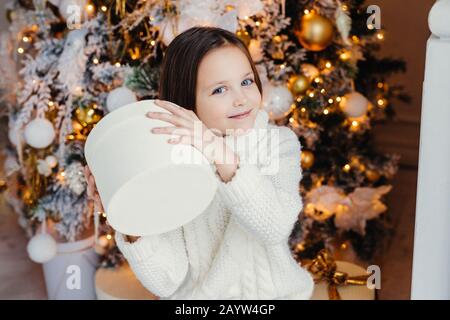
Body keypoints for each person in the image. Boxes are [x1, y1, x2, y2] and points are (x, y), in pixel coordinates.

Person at [84, 26, 314, 300]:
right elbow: (168, 281)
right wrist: (128, 221)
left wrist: (217, 151)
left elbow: (274, 225)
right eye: (219, 90)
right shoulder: (171, 159)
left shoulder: (278, 144)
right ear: (186, 100)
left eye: (246, 81)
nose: (241, 99)